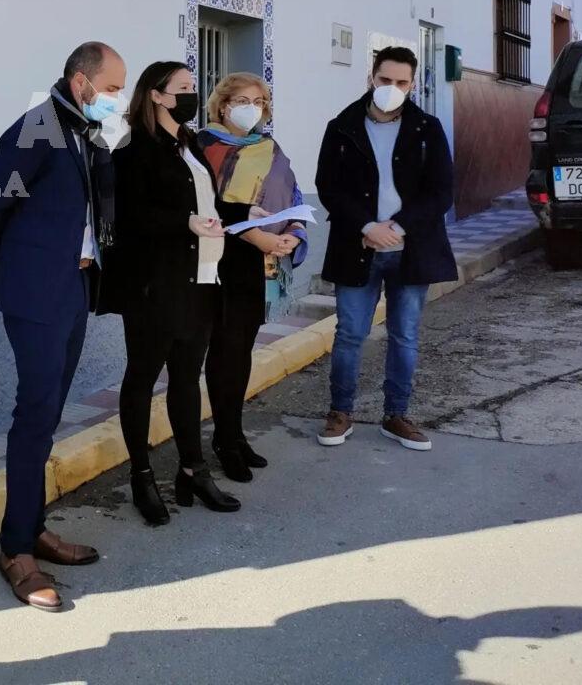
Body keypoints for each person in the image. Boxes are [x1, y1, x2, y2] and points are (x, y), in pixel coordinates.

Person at [0, 41, 126, 611]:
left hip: (74, 288)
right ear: (81, 81)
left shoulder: (84, 132)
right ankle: (15, 549)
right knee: (35, 413)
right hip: (37, 292)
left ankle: (32, 528)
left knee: (48, 413)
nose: (117, 98)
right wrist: (19, 263)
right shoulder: (39, 127)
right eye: (112, 88)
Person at [112, 61, 239, 523]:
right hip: (155, 286)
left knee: (187, 379)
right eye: (182, 87)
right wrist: (184, 223)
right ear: (156, 95)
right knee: (142, 379)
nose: (191, 94)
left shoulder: (190, 144)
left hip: (202, 278)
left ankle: (193, 470)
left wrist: (246, 214)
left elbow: (206, 203)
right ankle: (142, 477)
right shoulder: (134, 149)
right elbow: (129, 217)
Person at [315, 46, 457, 451]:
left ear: (412, 85)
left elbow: (441, 191)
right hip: (356, 245)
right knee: (349, 334)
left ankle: (396, 415)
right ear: (371, 78)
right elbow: (329, 186)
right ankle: (340, 412)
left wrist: (397, 227)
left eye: (401, 82)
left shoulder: (427, 128)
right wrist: (367, 226)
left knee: (405, 336)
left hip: (411, 249)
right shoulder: (342, 127)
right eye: (385, 79)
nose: (392, 88)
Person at [197, 72, 308, 482]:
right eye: (243, 101)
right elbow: (204, 206)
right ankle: (224, 441)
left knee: (242, 351)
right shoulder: (203, 146)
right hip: (221, 261)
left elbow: (293, 196)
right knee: (224, 352)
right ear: (223, 104)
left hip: (262, 266)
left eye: (259, 102)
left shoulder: (269, 147)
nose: (252, 109)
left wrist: (294, 232)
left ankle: (235, 433)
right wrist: (257, 236)